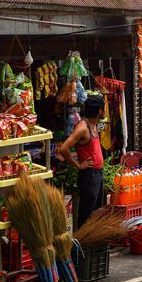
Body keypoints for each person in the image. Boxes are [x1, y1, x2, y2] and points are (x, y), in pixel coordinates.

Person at [58, 95, 106, 229]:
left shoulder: (93, 125)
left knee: (96, 212)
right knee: (87, 213)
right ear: (100, 111)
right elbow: (63, 148)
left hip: (97, 174)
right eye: (104, 109)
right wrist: (79, 165)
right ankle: (82, 244)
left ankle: (92, 244)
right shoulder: (83, 127)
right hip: (89, 176)